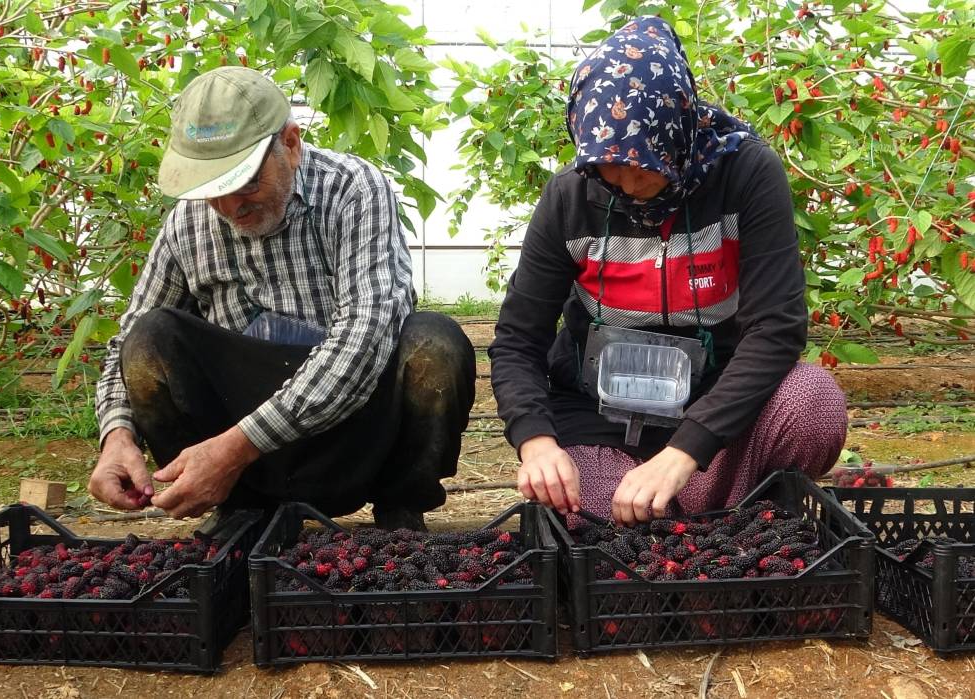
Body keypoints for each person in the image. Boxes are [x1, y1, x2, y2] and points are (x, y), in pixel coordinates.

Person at [488, 17, 847, 527]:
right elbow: (518, 339)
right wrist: (537, 442)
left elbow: (776, 329)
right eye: (609, 166)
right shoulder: (570, 197)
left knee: (813, 403)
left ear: (675, 129)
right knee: (586, 514)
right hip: (598, 420)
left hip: (716, 422)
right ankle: (716, 516)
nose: (627, 182)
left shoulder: (745, 175)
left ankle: (695, 505)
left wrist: (684, 453)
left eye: (643, 163)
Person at [90, 67, 475, 530]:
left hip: (359, 433)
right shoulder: (186, 224)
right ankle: (245, 509)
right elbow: (127, 340)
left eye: (247, 182)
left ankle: (399, 507)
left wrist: (234, 448)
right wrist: (116, 434)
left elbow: (361, 344)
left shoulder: (353, 190)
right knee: (147, 340)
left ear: (290, 144)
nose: (232, 206)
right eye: (214, 190)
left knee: (434, 344)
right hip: (248, 447)